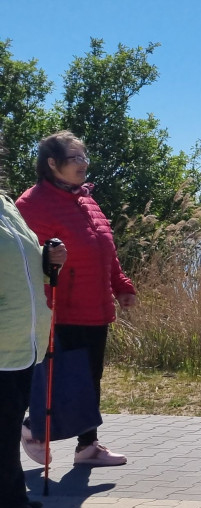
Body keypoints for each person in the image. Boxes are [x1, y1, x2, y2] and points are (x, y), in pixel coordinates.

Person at [16, 131, 135, 467]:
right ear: (52, 163)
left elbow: (105, 251)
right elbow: (27, 260)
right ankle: (32, 428)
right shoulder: (32, 204)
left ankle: (88, 447)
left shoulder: (86, 200)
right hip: (59, 309)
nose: (84, 163)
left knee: (90, 379)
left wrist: (122, 285)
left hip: (95, 307)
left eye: (84, 157)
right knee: (64, 381)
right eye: (75, 158)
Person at [0, 132, 68, 508]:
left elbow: (20, 270)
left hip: (22, 340)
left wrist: (48, 259)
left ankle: (12, 496)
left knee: (9, 425)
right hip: (4, 340)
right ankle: (9, 504)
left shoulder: (6, 205)